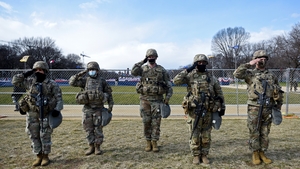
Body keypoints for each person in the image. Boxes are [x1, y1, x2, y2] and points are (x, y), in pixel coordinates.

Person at [233, 50, 284, 165]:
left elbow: (279, 90)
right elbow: (236, 74)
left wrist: (279, 104)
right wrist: (249, 64)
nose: (262, 60)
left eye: (264, 58)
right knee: (254, 130)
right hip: (254, 107)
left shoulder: (271, 75)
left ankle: (262, 152)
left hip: (268, 107)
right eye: (260, 58)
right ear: (255, 59)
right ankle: (255, 153)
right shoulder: (250, 73)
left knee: (265, 131)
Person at [173, 54, 225, 165]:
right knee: (194, 134)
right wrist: (188, 69)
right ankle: (196, 155)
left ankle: (204, 155)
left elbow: (219, 93)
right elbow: (176, 81)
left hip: (208, 110)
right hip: (194, 111)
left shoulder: (212, 78)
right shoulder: (190, 76)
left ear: (206, 64)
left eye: (203, 62)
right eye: (199, 63)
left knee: (206, 135)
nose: (201, 64)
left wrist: (222, 107)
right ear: (195, 64)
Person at [11, 61, 63, 167]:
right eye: (36, 70)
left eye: (40, 70)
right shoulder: (29, 82)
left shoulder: (52, 84)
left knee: (45, 135)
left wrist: (57, 110)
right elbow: (15, 81)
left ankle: (45, 156)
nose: (38, 72)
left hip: (46, 112)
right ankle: (38, 156)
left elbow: (59, 98)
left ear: (45, 71)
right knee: (33, 134)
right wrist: (27, 73)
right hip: (32, 113)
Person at [131, 48, 173, 152]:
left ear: (156, 57)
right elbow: (133, 72)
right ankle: (148, 142)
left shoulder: (161, 70)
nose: (151, 58)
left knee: (156, 122)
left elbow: (168, 85)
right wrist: (142, 61)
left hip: (157, 100)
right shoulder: (143, 69)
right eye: (149, 57)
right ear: (147, 57)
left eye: (153, 56)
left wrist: (167, 98)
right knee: (146, 121)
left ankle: (154, 142)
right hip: (145, 100)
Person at [69, 61, 114, 156]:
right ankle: (91, 146)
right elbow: (72, 82)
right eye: (90, 70)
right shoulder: (85, 81)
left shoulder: (102, 81)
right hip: (87, 109)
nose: (92, 71)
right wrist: (82, 73)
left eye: (93, 70)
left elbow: (109, 93)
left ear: (97, 71)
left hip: (99, 109)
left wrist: (110, 105)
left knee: (98, 129)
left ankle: (97, 147)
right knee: (88, 129)